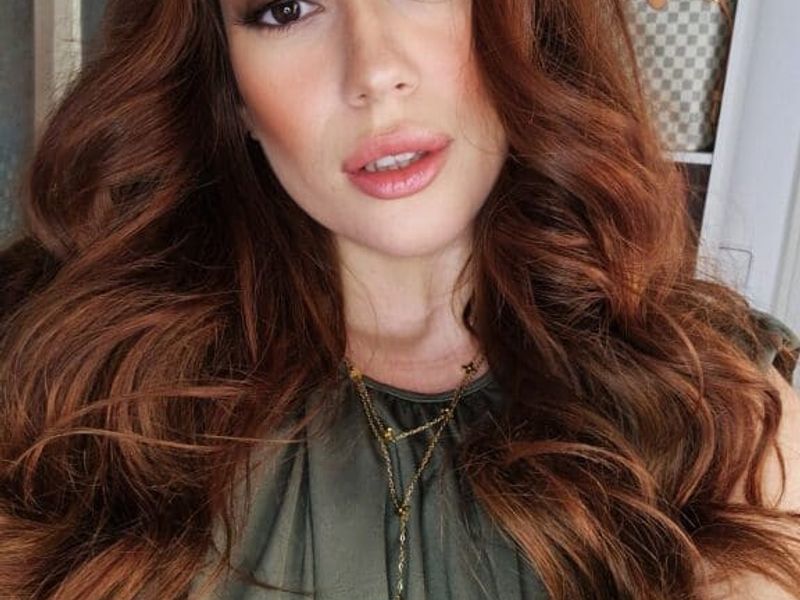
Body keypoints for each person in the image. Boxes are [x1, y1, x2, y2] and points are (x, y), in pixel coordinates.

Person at [0, 0, 799, 598]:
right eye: (286, 8)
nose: (375, 72)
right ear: (230, 87)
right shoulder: (61, 384)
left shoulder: (718, 408)